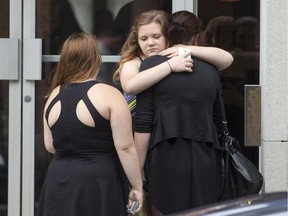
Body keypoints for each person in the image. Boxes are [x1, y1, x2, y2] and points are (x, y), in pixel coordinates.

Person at [36, 33, 143, 216]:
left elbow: (50, 146)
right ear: (97, 59)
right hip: (97, 182)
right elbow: (125, 147)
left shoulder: (53, 95)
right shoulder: (110, 94)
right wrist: (137, 186)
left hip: (57, 179)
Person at [134, 11, 226, 215]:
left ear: (168, 35)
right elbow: (219, 118)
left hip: (164, 155)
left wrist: (138, 171)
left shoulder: (151, 65)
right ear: (196, 37)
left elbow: (143, 123)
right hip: (205, 155)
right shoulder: (211, 69)